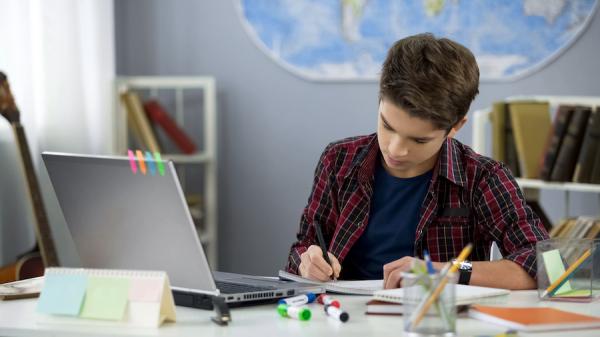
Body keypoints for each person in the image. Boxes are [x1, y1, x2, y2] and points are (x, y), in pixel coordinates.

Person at [284, 33, 549, 290]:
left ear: (455, 126)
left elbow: (546, 266)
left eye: (419, 140)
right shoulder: (338, 160)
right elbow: (303, 247)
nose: (396, 150)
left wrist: (443, 271)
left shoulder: (483, 178)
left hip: (435, 324)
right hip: (342, 318)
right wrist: (307, 262)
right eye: (387, 126)